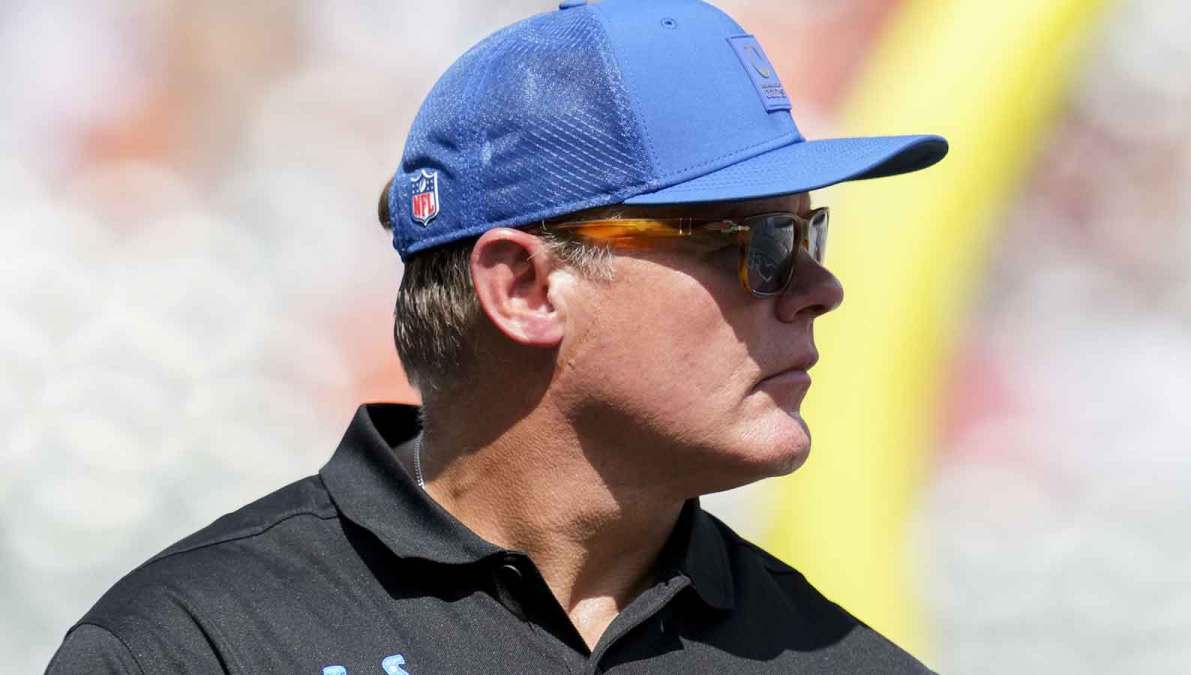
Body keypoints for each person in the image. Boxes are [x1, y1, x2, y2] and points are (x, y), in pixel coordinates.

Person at [47, 0, 948, 672]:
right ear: (522, 287)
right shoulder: (191, 648)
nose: (819, 289)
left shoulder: (851, 664)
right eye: (758, 245)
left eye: (810, 234)